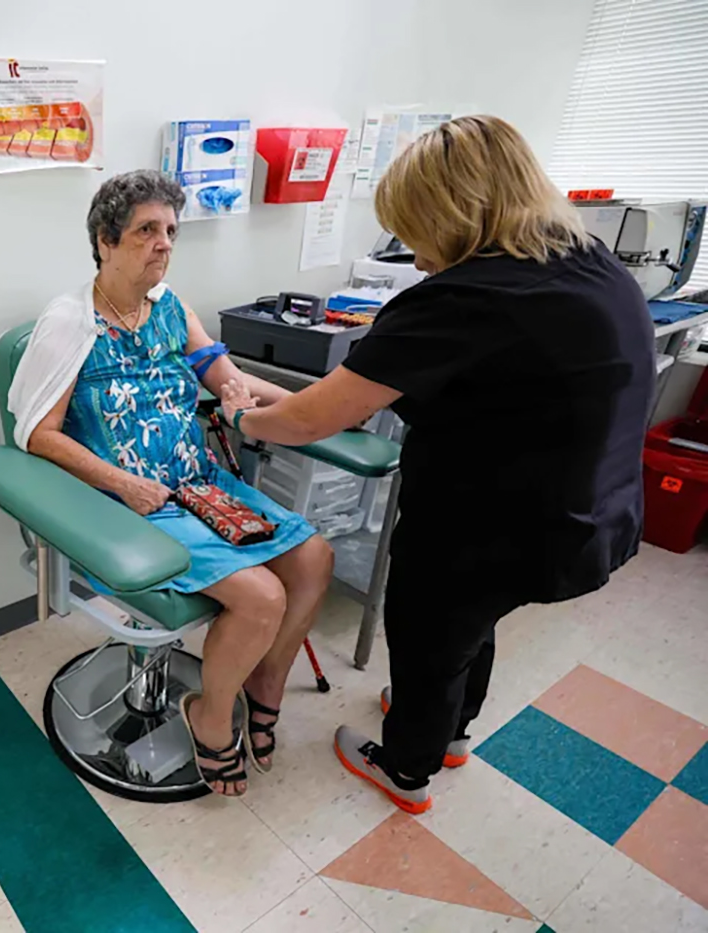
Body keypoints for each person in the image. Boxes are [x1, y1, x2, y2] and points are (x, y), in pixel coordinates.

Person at [221, 115, 655, 813]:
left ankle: (407, 767)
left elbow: (310, 419)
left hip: (493, 521)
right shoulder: (586, 260)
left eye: (417, 233)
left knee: (428, 630)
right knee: (471, 626)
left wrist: (241, 416)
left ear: (452, 216)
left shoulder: (465, 297)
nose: (418, 259)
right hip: (590, 512)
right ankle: (450, 732)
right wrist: (269, 395)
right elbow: (350, 401)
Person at [9, 170, 336, 797]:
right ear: (105, 241)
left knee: (314, 558)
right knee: (262, 596)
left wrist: (306, 406)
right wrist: (124, 483)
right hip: (127, 506)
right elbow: (39, 435)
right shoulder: (70, 323)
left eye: (170, 231)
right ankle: (210, 715)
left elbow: (224, 374)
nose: (163, 243)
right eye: (146, 231)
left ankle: (264, 685)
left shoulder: (170, 308)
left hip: (198, 484)